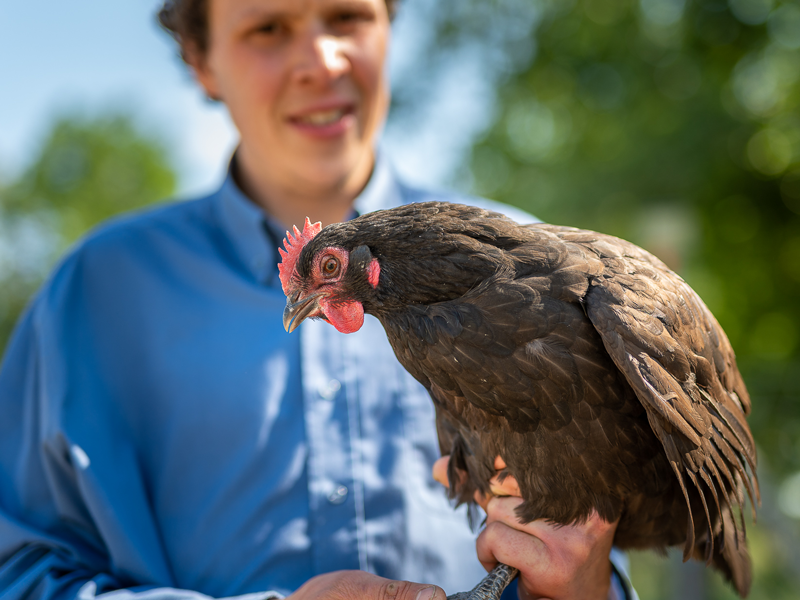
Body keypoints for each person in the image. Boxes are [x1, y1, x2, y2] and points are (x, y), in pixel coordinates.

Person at [0, 1, 635, 599]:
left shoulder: (538, 270)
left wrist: (585, 583)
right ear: (202, 60)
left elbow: (591, 543)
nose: (322, 62)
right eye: (269, 28)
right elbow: (17, 570)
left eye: (346, 16)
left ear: (389, 27)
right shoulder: (99, 291)